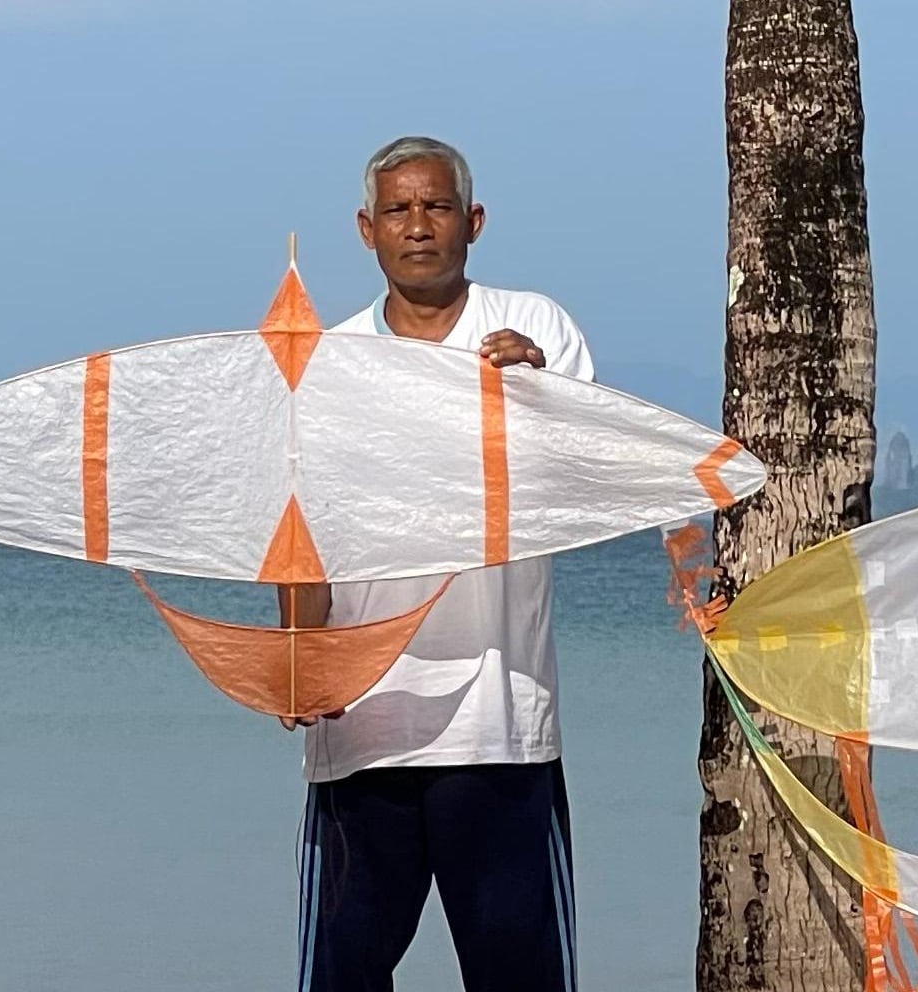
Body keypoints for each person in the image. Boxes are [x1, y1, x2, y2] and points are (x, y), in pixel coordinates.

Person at [278, 135, 593, 992]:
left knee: (515, 972)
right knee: (346, 972)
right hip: (363, 726)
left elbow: (583, 483)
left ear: (474, 221)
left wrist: (539, 397)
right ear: (366, 229)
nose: (418, 225)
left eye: (437, 206)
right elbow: (296, 530)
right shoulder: (327, 365)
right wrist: (301, 662)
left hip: (500, 720)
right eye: (398, 209)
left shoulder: (537, 333)